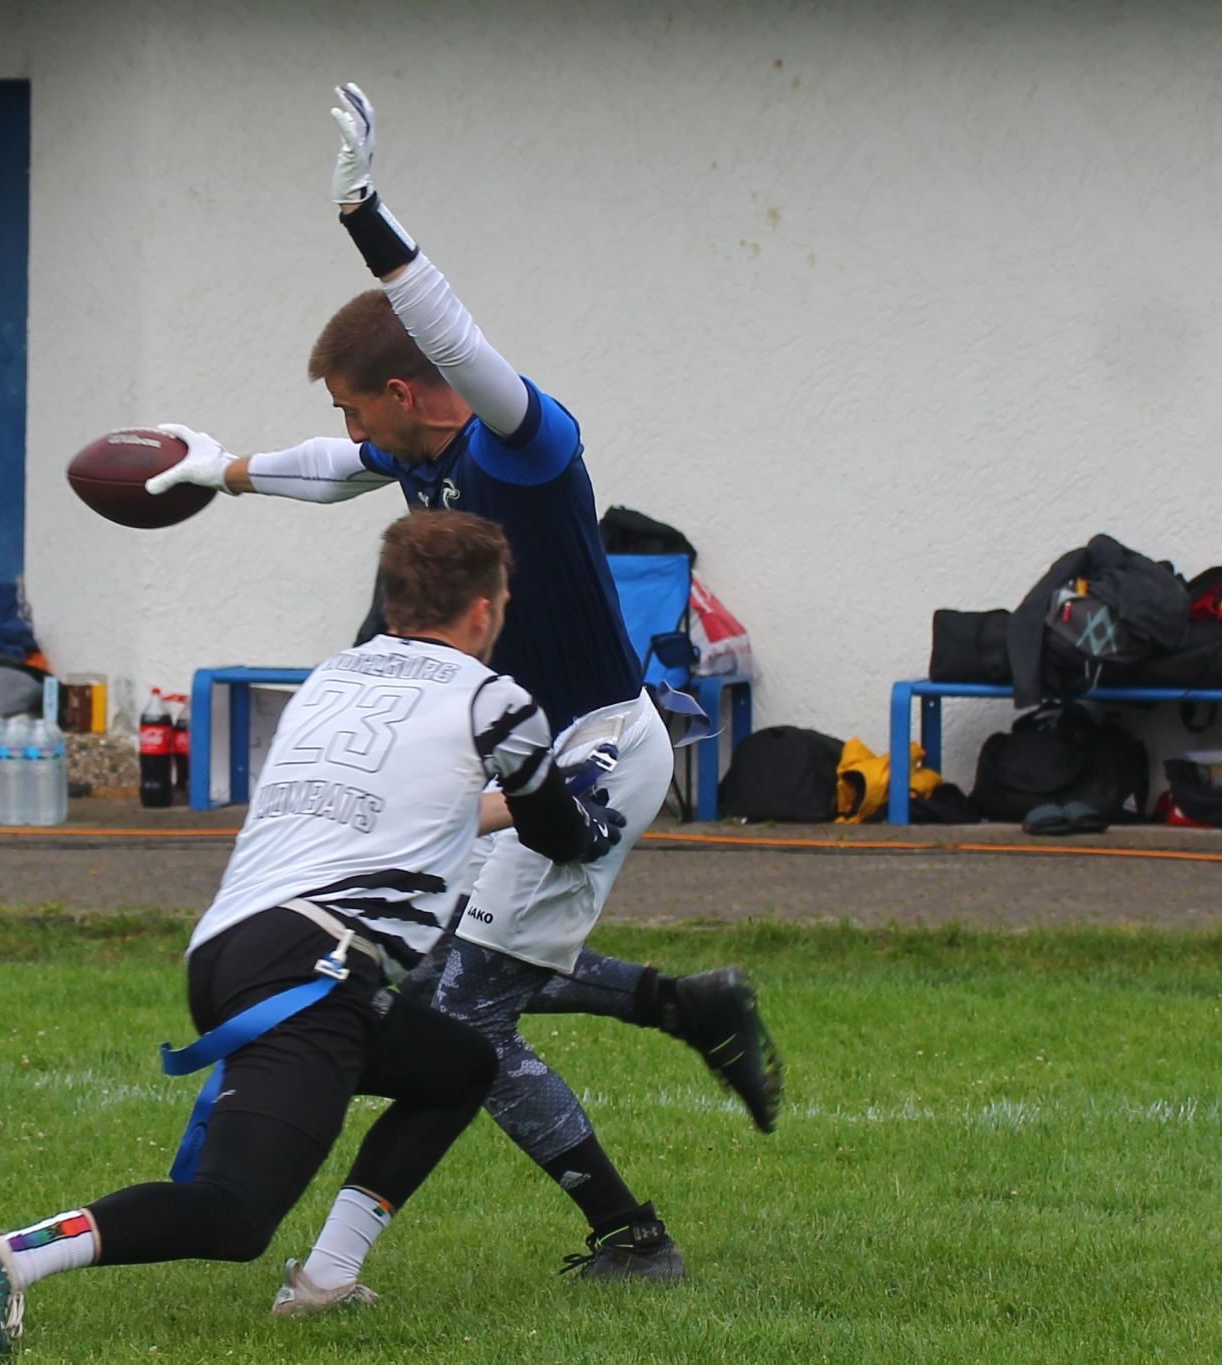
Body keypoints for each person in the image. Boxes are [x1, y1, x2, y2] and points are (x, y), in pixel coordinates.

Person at [145, 82, 783, 1285]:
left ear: (404, 392)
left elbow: (459, 344)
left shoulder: (525, 448)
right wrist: (218, 470)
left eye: (356, 403)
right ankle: (685, 1009)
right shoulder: (415, 456)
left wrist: (364, 217)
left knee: (462, 1020)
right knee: (450, 970)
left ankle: (612, 1237)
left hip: (592, 746)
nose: (350, 426)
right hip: (520, 742)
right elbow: (333, 466)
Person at [0, 511, 627, 1358]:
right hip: (314, 968)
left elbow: (417, 810)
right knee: (234, 1213)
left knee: (458, 1066)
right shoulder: (495, 700)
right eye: (505, 598)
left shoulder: (334, 675)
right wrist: (586, 806)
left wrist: (533, 800)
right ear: (484, 609)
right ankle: (12, 1254)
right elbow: (560, 834)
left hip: (238, 945)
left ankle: (328, 1277)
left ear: (393, 598)